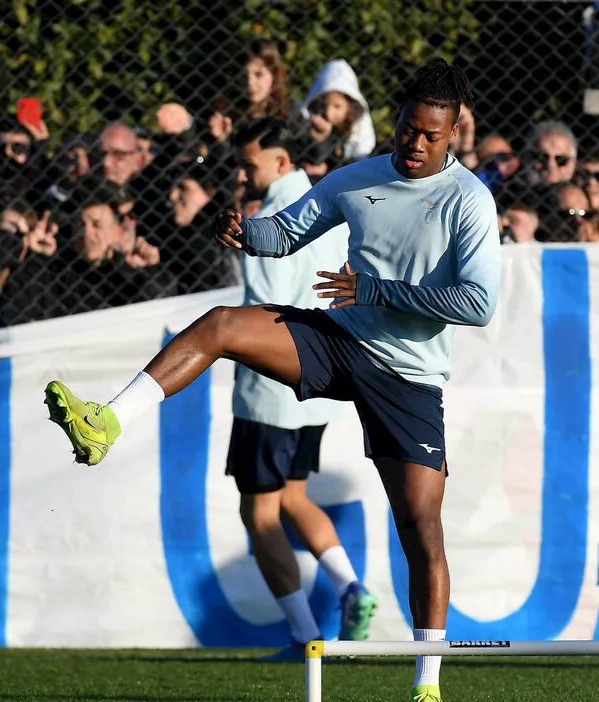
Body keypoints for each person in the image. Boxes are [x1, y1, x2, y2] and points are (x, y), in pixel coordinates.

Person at [44, 58, 499, 702]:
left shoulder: (469, 200)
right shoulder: (358, 177)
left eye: (432, 134)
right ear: (395, 121)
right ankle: (106, 421)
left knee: (421, 527)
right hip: (342, 338)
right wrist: (249, 234)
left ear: (453, 132)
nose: (416, 145)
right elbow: (287, 232)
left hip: (409, 375)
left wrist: (375, 287)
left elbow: (478, 303)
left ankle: (427, 684)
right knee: (221, 323)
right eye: (409, 129)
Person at [228, 117, 376, 661]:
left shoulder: (268, 219)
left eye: (251, 163)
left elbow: (259, 309)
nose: (244, 173)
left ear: (282, 162)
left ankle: (304, 635)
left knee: (259, 513)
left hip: (269, 387)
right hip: (316, 379)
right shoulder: (325, 210)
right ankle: (350, 587)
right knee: (293, 497)